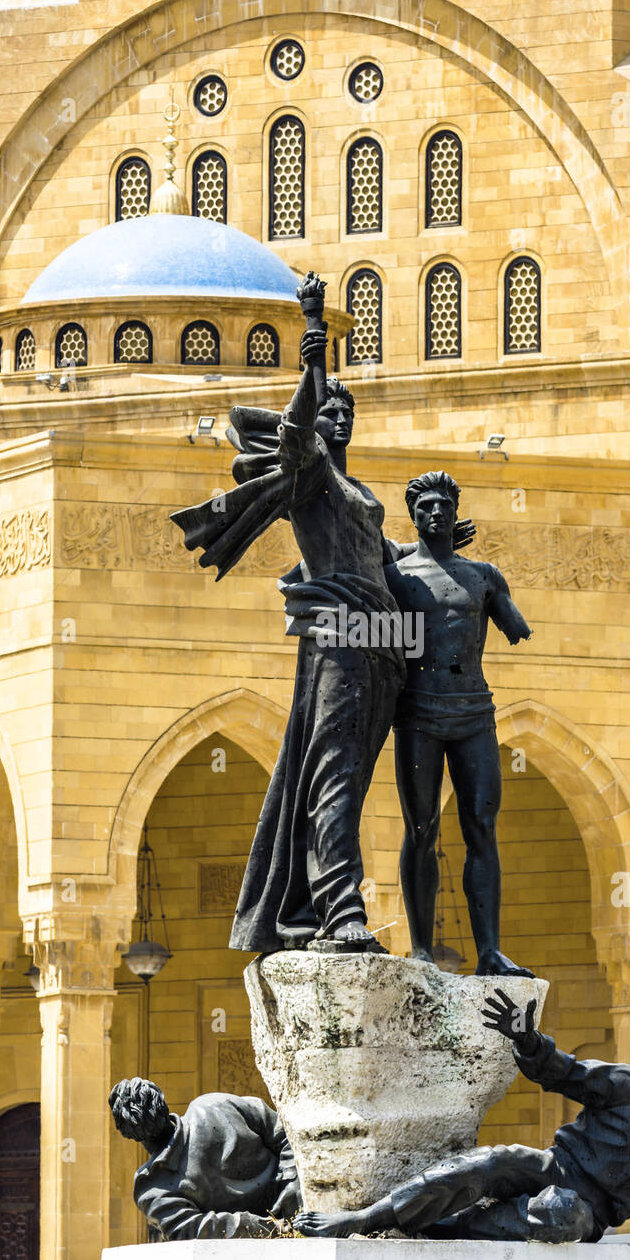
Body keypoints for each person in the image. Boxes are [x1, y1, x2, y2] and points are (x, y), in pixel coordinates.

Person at [171, 282, 474, 955]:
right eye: (331, 409)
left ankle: (311, 907)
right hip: (340, 640)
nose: (339, 418)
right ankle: (342, 914)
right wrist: (313, 347)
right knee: (333, 773)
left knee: (351, 777)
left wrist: (437, 549)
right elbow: (297, 428)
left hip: (383, 648)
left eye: (347, 411)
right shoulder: (309, 473)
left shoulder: (360, 492)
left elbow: (381, 557)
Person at [293, 990, 630, 1260]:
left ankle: (443, 1231)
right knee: (494, 1161)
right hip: (555, 1166)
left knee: (561, 1214)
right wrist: (528, 1040)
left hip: (588, 1211)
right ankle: (363, 1219)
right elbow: (565, 1072)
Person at [384, 471, 533, 976]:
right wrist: (409, 548)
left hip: (473, 712)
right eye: (424, 507)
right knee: (421, 827)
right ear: (414, 516)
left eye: (443, 506)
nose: (435, 513)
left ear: (456, 511)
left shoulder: (484, 576)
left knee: (481, 828)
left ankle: (490, 950)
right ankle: (421, 948)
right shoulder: (397, 576)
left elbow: (517, 626)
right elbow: (361, 552)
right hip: (418, 712)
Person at [108, 1077, 300, 1240]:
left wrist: (271, 1225)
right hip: (302, 1209)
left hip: (283, 1226)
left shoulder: (150, 1188)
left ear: (127, 1134)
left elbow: (198, 1230)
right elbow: (285, 1133)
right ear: (163, 1102)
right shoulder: (214, 1104)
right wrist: (291, 1185)